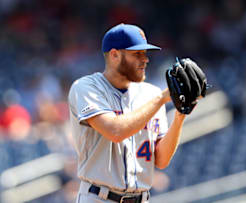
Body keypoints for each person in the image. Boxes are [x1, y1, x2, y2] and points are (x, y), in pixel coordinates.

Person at [68, 23, 189, 203]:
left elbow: (161, 160)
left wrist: (180, 115)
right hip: (99, 197)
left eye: (145, 53)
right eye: (136, 54)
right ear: (115, 55)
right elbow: (115, 131)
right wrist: (162, 98)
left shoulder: (152, 93)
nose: (145, 59)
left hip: (142, 198)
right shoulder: (86, 88)